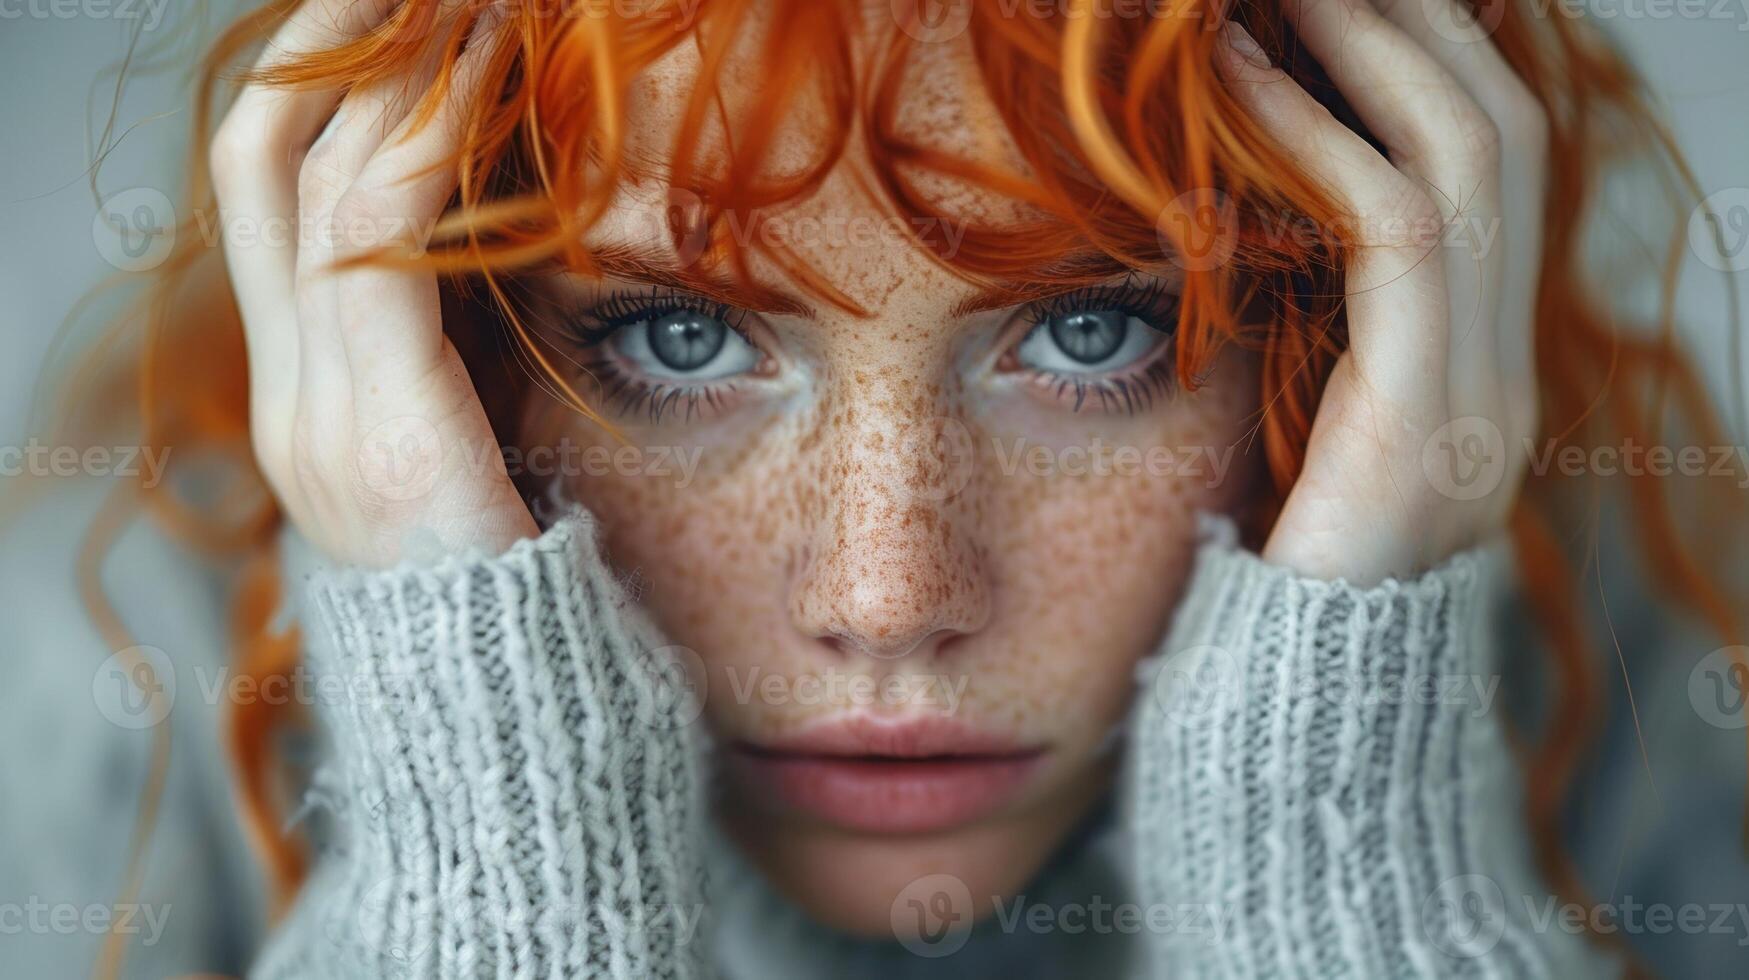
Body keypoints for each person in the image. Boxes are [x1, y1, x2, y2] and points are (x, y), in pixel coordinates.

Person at [18, 0, 1747, 976]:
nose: (886, 593)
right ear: (428, 325)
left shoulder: (1643, 676)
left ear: (1338, 330)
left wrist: (1353, 872)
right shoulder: (104, 718)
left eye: (1089, 331)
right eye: (681, 342)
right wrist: (489, 859)